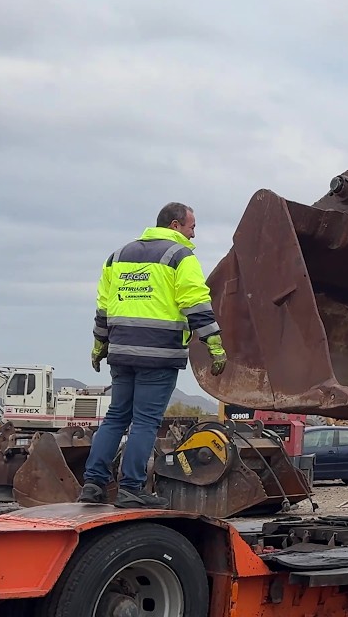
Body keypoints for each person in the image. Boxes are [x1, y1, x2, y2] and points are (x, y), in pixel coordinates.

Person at [80, 202, 228, 508]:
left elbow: (104, 307)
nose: (194, 233)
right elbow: (195, 301)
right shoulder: (180, 257)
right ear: (175, 225)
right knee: (145, 421)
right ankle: (131, 487)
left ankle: (93, 484)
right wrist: (214, 344)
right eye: (192, 226)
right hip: (159, 354)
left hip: (120, 353)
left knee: (116, 417)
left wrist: (99, 345)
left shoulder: (118, 256)